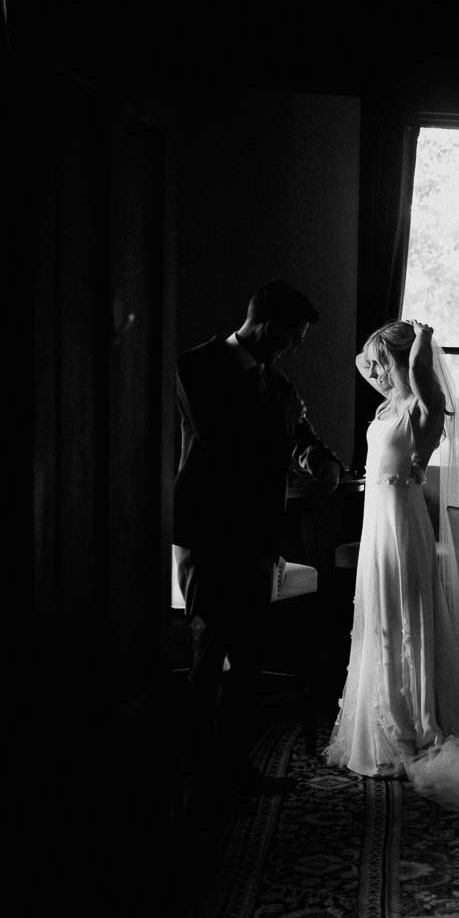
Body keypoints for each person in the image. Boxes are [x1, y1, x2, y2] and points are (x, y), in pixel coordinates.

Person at [174, 279, 345, 799]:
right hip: (208, 531)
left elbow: (298, 438)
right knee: (209, 652)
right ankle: (194, 775)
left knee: (249, 658)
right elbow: (223, 440)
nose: (295, 348)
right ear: (268, 326)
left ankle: (235, 769)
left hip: (259, 536)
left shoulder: (275, 380)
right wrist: (284, 422)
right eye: (293, 337)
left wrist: (321, 458)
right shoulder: (195, 366)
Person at [325, 318, 459, 812]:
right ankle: (383, 722)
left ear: (403, 363)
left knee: (407, 618)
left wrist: (421, 343)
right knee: (380, 618)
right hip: (376, 528)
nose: (376, 371)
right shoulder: (389, 404)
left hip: (402, 526)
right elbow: (359, 362)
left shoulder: (421, 410)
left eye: (383, 362)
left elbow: (420, 376)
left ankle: (415, 726)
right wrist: (387, 347)